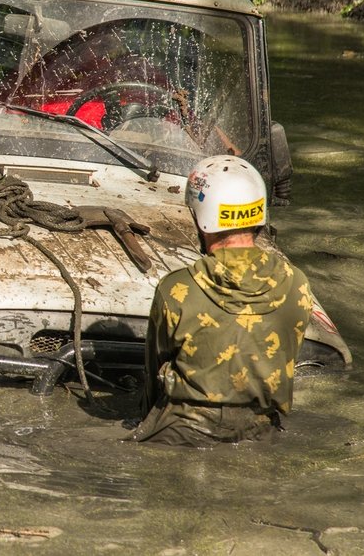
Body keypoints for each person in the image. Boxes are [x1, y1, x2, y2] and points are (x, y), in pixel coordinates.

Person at [132, 155, 312, 446]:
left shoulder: (176, 288)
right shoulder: (298, 285)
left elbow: (153, 378)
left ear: (202, 220)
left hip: (181, 431)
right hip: (260, 433)